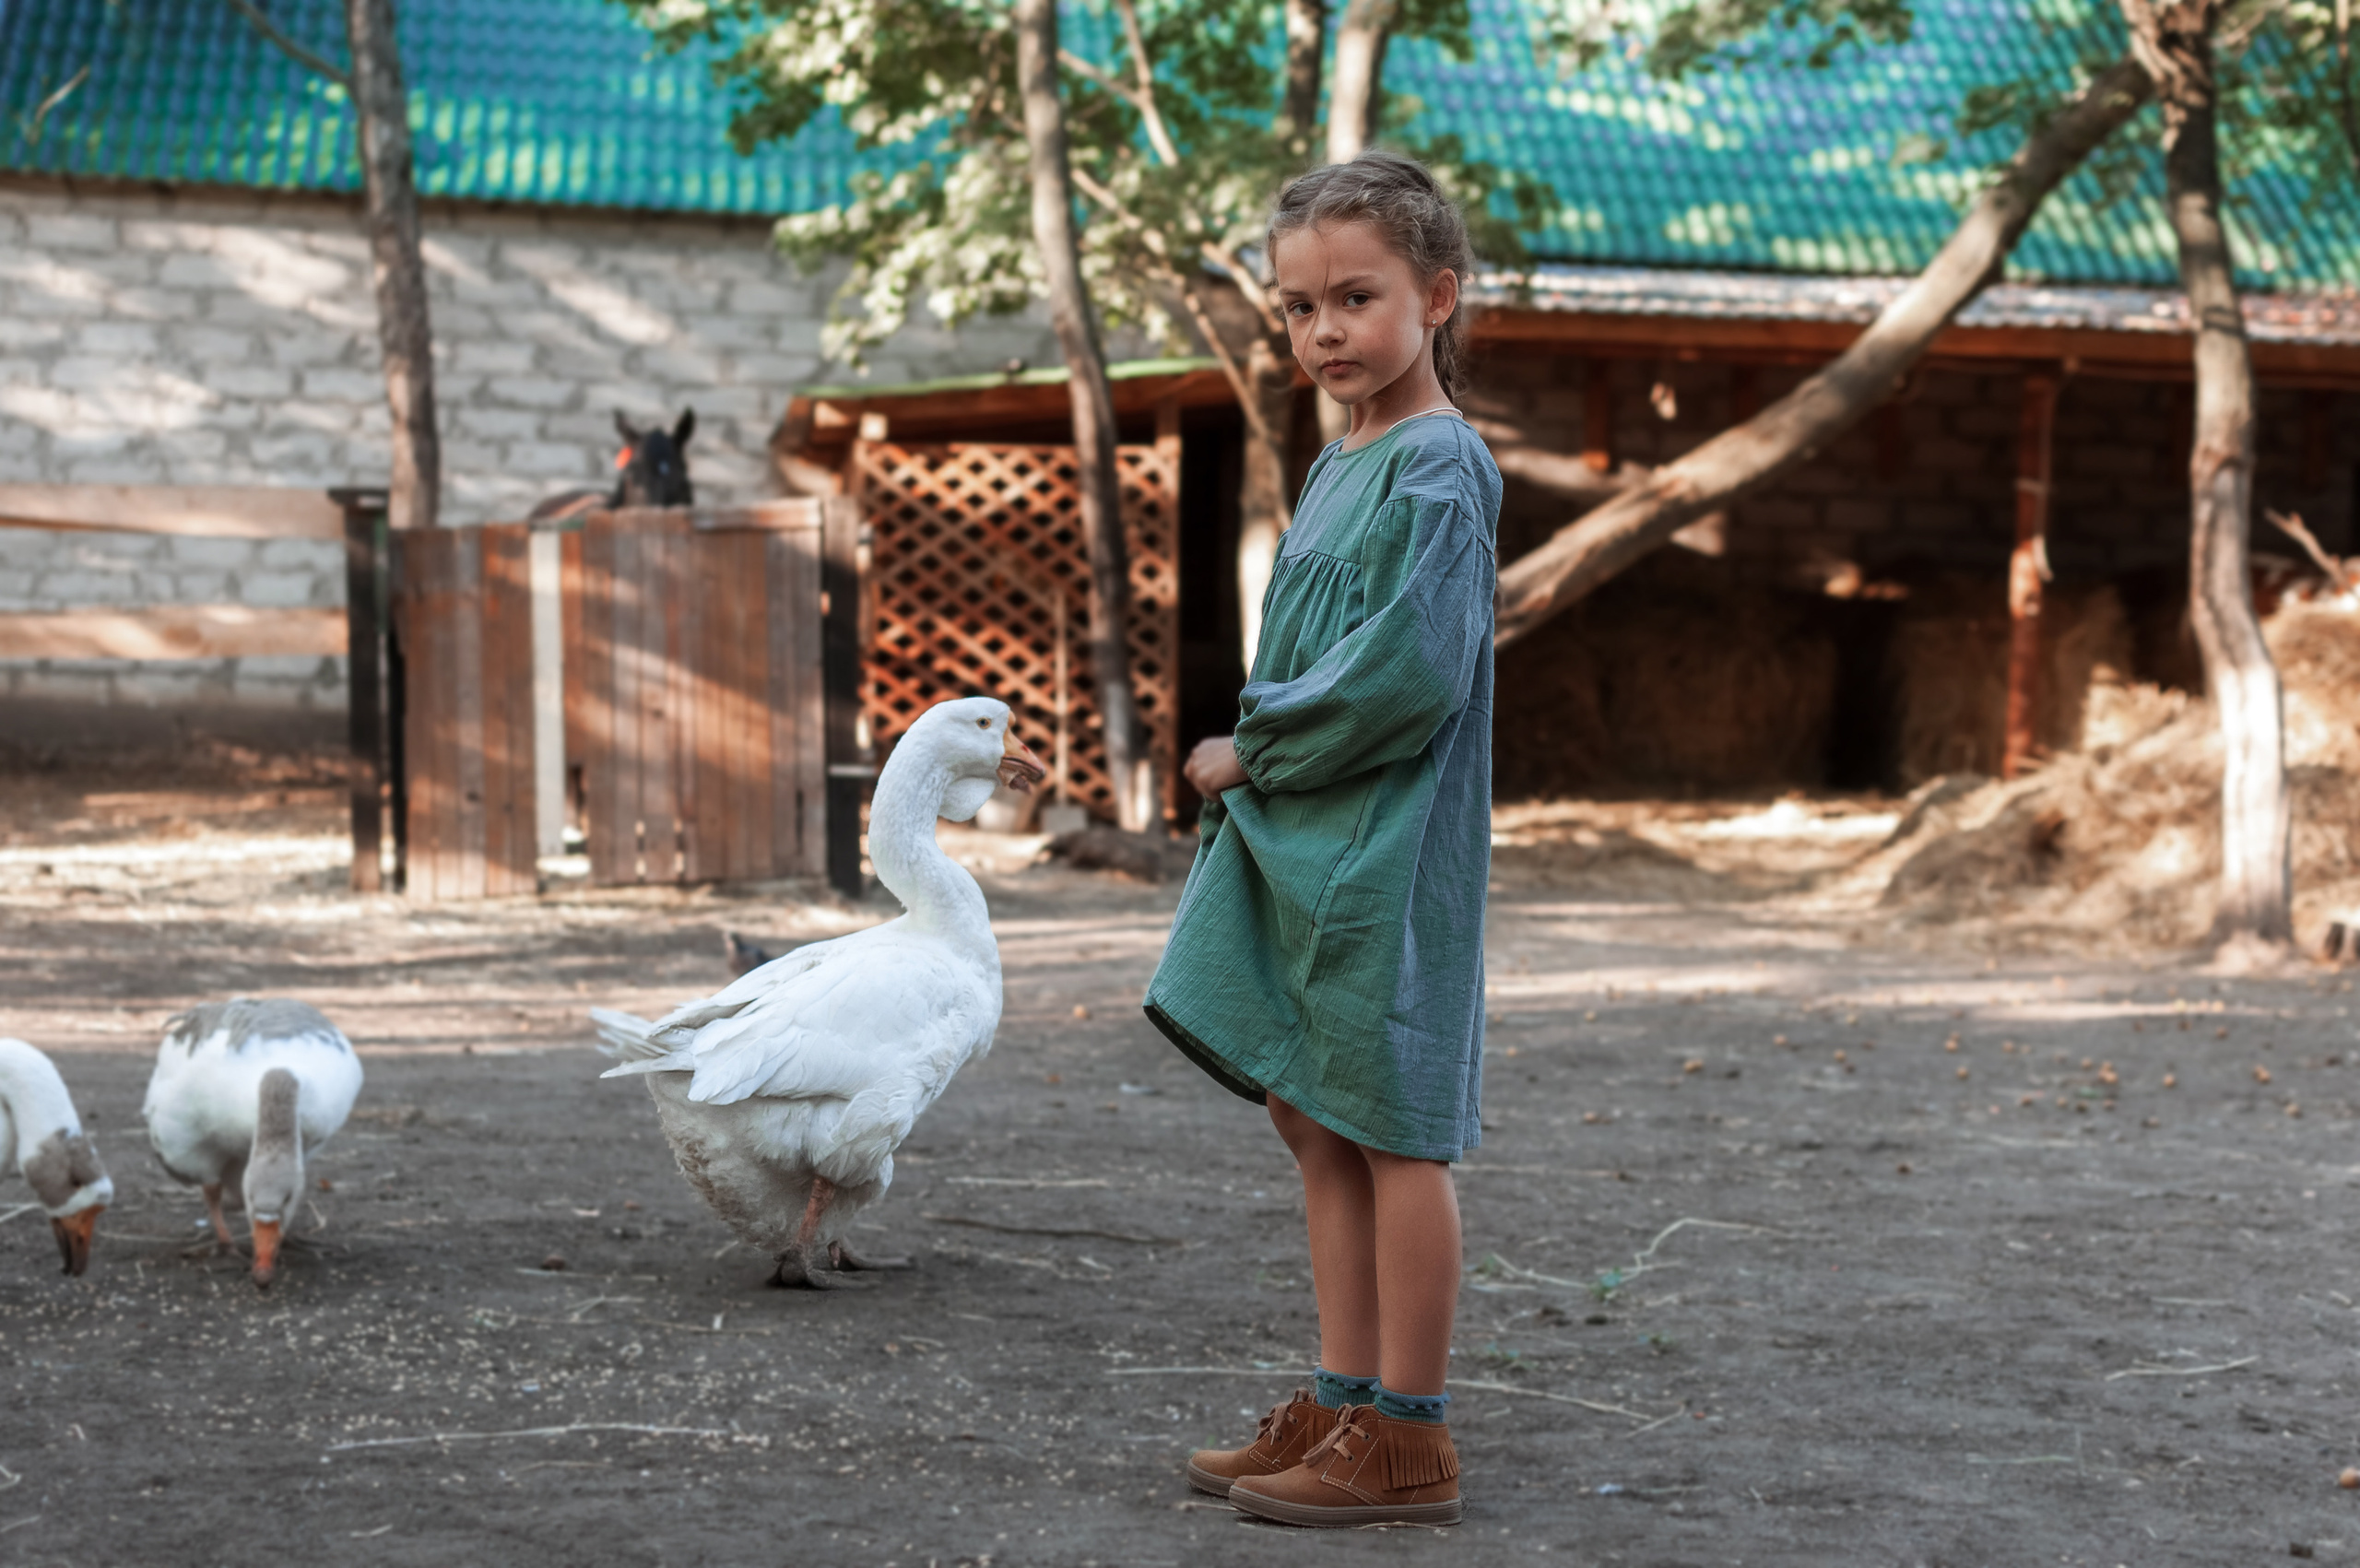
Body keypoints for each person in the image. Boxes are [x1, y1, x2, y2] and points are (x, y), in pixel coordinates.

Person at [1141, 147, 1499, 1529]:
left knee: (1391, 1123)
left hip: (1385, 839)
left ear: (1439, 297)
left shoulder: (1439, 467)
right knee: (1310, 1106)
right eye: (1298, 308)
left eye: (1357, 298)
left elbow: (1412, 672)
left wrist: (1257, 746)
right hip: (1311, 833)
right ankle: (1344, 1394)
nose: (1324, 332)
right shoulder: (1344, 455)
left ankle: (1409, 1432)